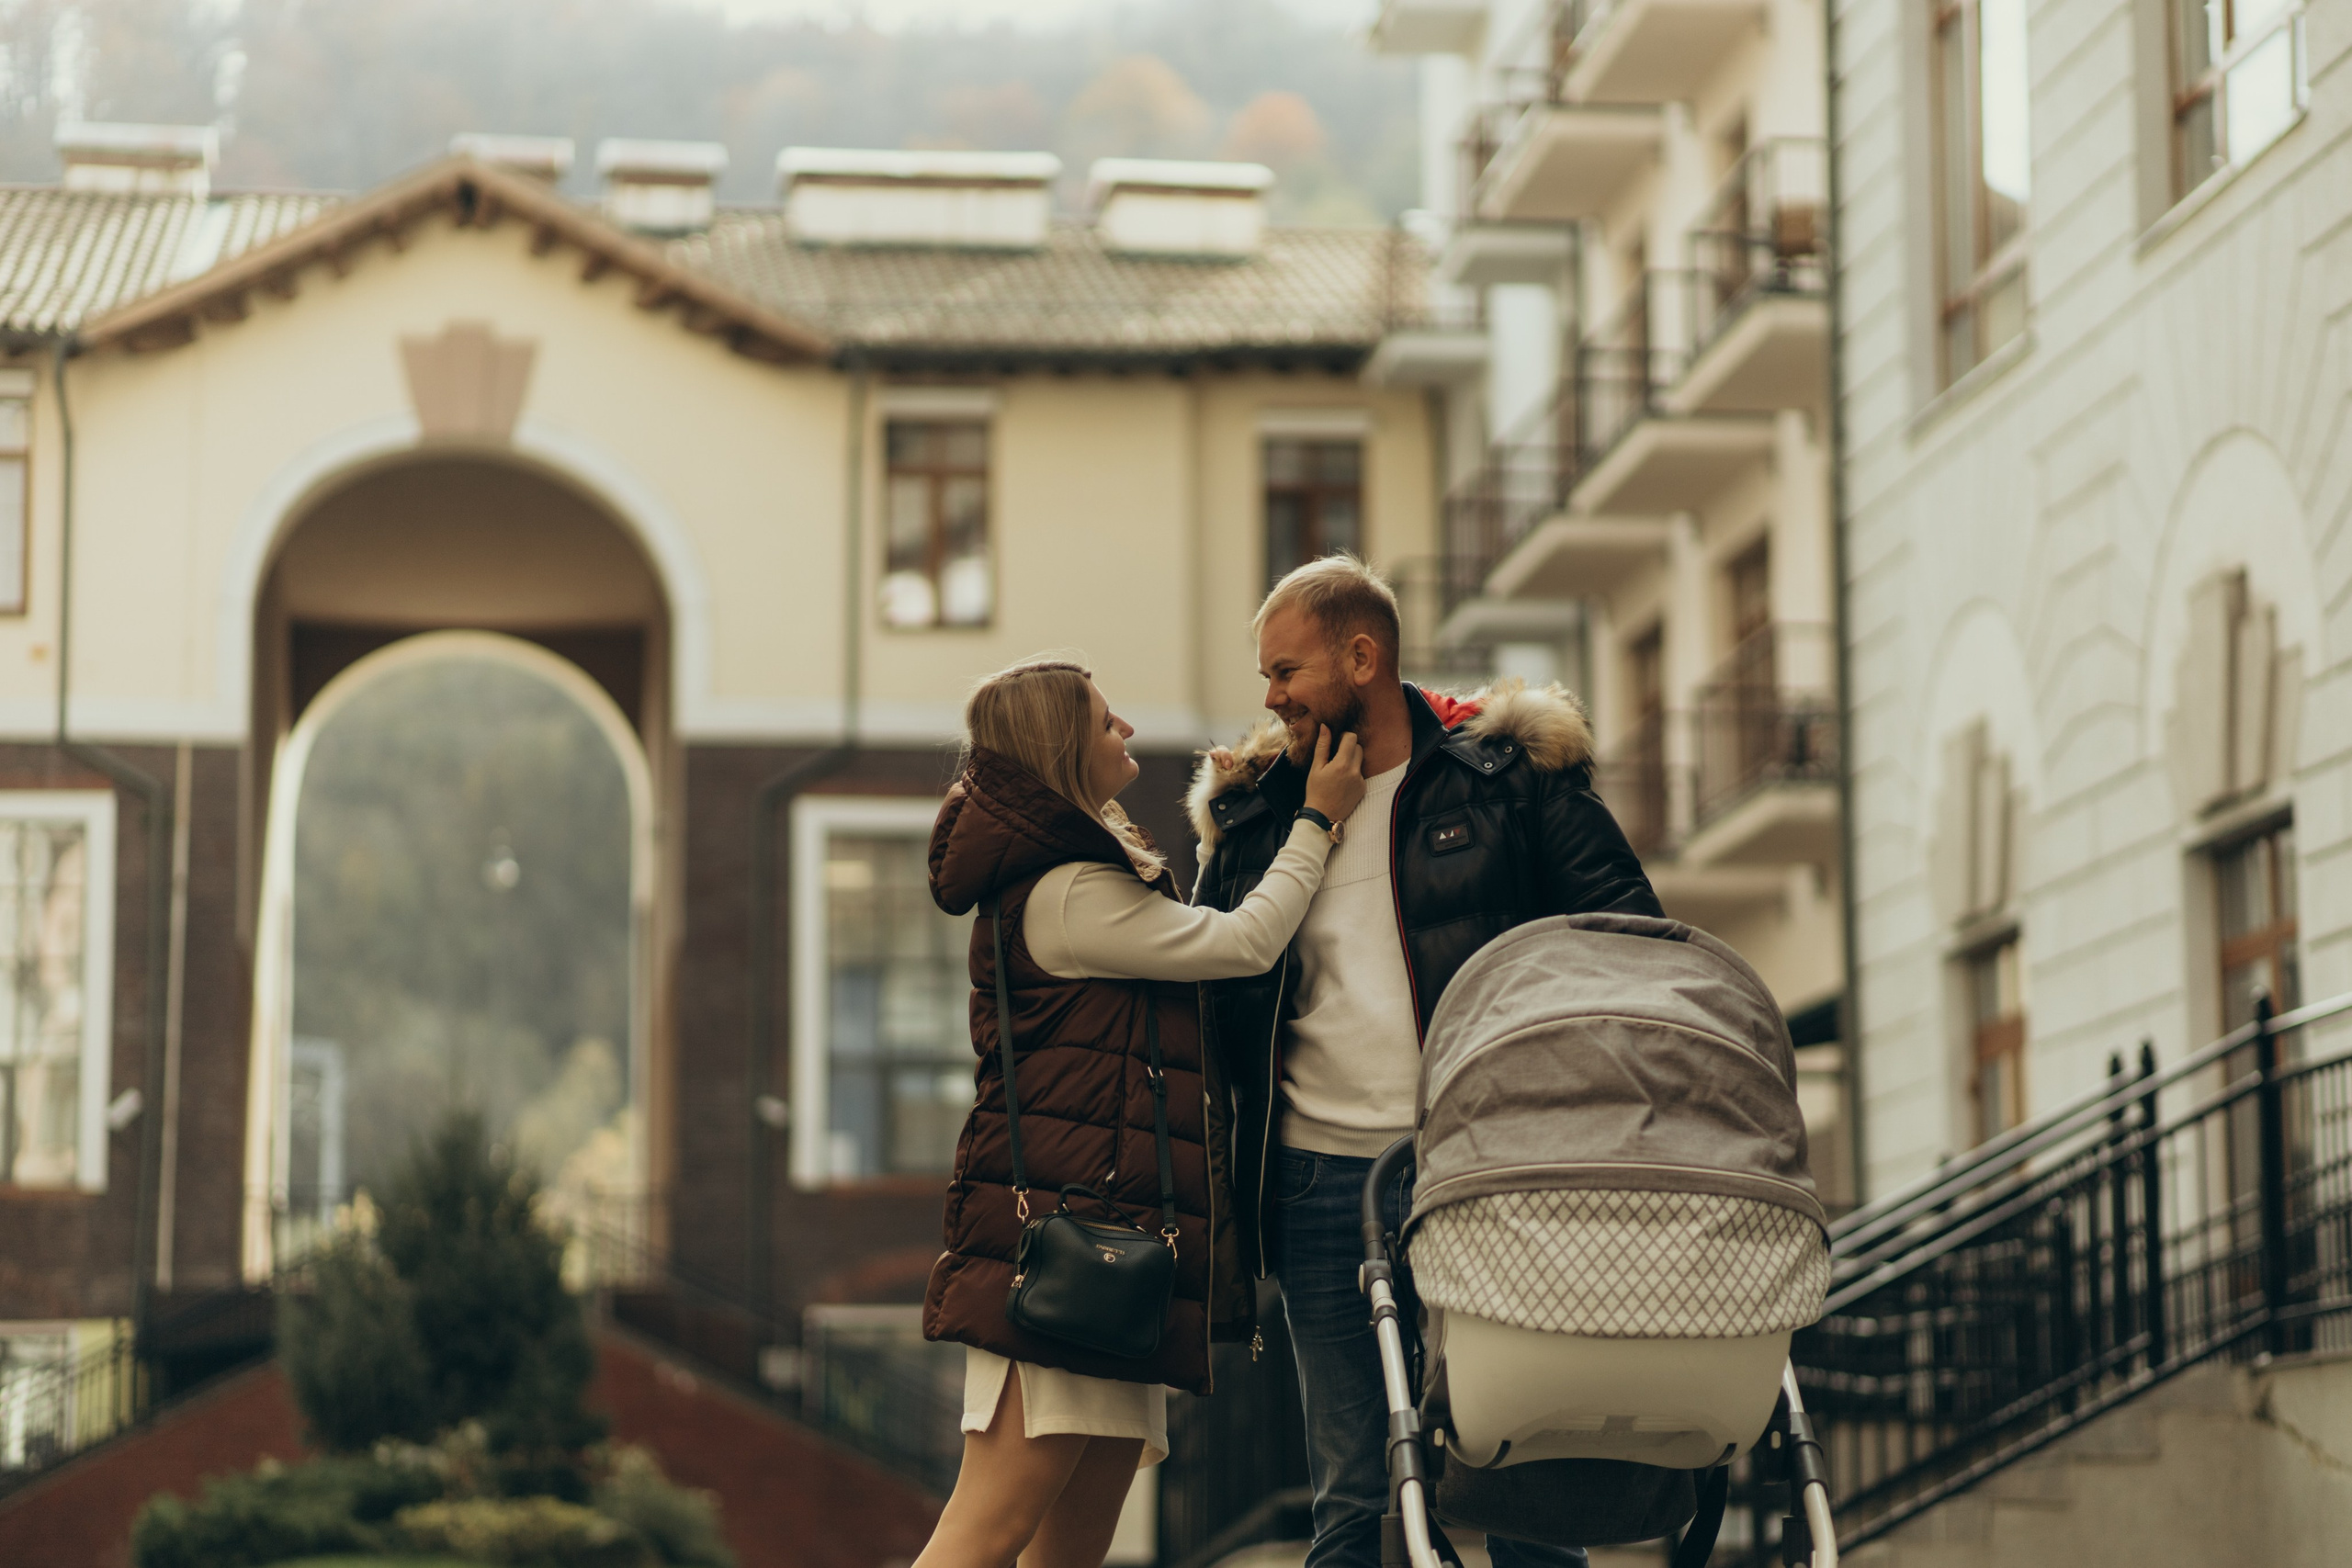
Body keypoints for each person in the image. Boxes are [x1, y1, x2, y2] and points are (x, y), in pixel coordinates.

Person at [1189, 556, 1664, 1568]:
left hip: (1492, 1175)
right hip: (1319, 1185)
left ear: (1361, 657)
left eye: (1286, 671)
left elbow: (1632, 942)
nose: (1268, 698)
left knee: (1524, 1480)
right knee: (1353, 1498)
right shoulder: (1256, 814)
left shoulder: (1510, 778)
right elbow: (1212, 1000)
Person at [917, 656, 1367, 1568]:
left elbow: (1184, 951)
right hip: (1065, 1265)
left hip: (1111, 1264)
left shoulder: (1081, 877)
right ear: (1060, 746)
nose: (1123, 730)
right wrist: (1317, 821)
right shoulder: (1068, 889)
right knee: (981, 1538)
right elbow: (1241, 944)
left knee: (1067, 1556)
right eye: (1102, 718)